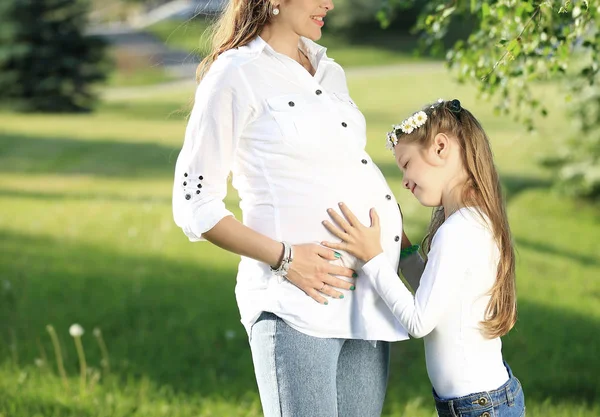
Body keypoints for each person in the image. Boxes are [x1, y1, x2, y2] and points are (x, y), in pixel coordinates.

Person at [171, 1, 412, 415]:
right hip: (294, 306)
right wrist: (286, 259)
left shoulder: (331, 72)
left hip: (367, 303)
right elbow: (195, 203)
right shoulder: (235, 74)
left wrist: (413, 262)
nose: (329, 4)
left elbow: (351, 175)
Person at [322, 99, 526, 417]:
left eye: (406, 164)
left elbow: (420, 321)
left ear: (440, 147)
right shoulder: (475, 221)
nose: (403, 179)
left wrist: (372, 258)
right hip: (488, 400)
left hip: (479, 408)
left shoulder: (458, 231)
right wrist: (402, 247)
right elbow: (438, 295)